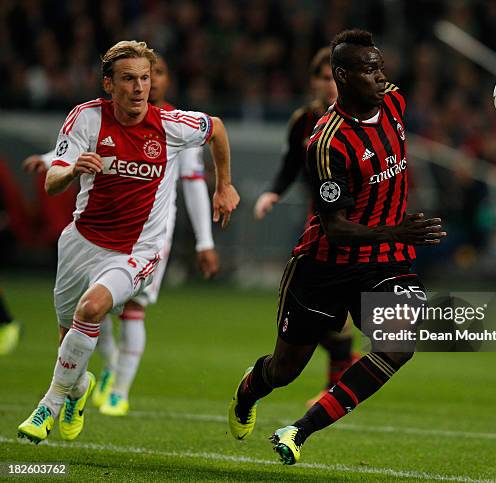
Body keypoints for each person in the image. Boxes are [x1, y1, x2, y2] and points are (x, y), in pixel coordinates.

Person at [227, 29, 446, 465]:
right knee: (284, 370)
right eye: (369, 69)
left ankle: (298, 430)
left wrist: (393, 238)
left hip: (384, 262)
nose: (381, 75)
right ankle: (248, 391)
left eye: (381, 65)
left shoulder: (396, 104)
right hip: (325, 265)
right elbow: (336, 228)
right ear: (342, 76)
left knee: (399, 344)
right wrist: (397, 231)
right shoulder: (328, 143)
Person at [17, 40, 239, 444]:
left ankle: (49, 404)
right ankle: (77, 389)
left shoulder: (170, 125)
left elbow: (217, 128)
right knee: (67, 333)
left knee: (93, 307)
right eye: (128, 79)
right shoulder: (85, 119)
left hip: (138, 251)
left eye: (144, 78)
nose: (139, 88)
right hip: (81, 243)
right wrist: (70, 172)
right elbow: (51, 182)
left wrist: (223, 185)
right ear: (109, 84)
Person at [253, 48, 357, 407]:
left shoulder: (357, 118)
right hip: (319, 223)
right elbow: (290, 164)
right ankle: (342, 377)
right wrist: (272, 193)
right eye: (324, 77)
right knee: (315, 310)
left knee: (327, 306)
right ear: (314, 81)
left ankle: (339, 384)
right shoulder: (305, 120)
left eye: (335, 77)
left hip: (354, 222)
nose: (330, 84)